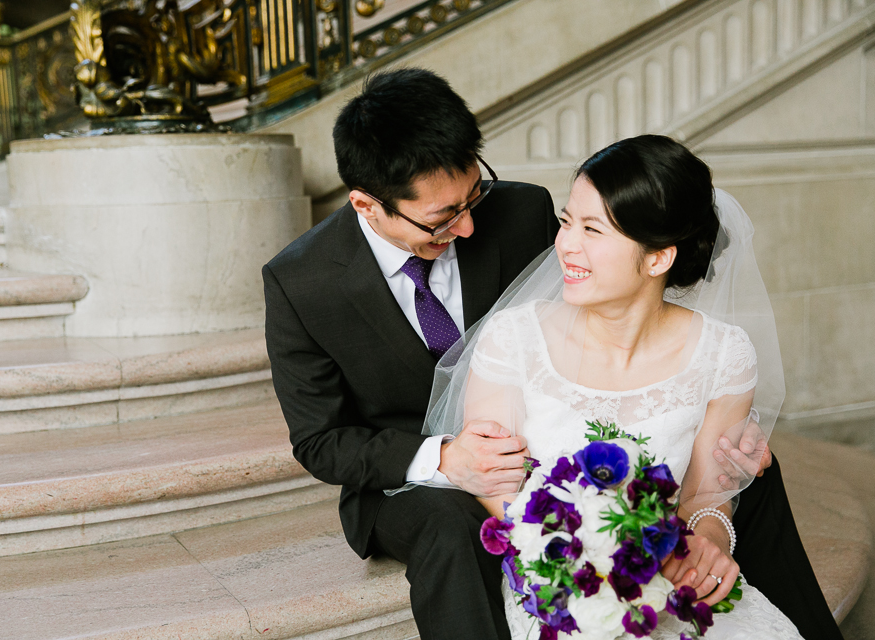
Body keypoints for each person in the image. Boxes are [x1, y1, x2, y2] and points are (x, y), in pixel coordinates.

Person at [263, 68, 840, 640]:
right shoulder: (303, 281)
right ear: (367, 204)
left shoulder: (518, 212)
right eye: (443, 217)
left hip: (545, 440)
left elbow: (599, 303)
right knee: (450, 524)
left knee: (746, 463)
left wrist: (715, 491)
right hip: (414, 472)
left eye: (474, 195)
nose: (468, 227)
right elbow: (319, 440)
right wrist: (445, 458)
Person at [420, 135, 829, 638]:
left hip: (668, 582)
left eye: (593, 229)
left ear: (657, 259)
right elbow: (496, 482)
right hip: (557, 585)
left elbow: (705, 495)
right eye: (567, 221)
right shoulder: (515, 338)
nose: (565, 244)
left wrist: (707, 544)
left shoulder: (725, 353)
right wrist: (581, 560)